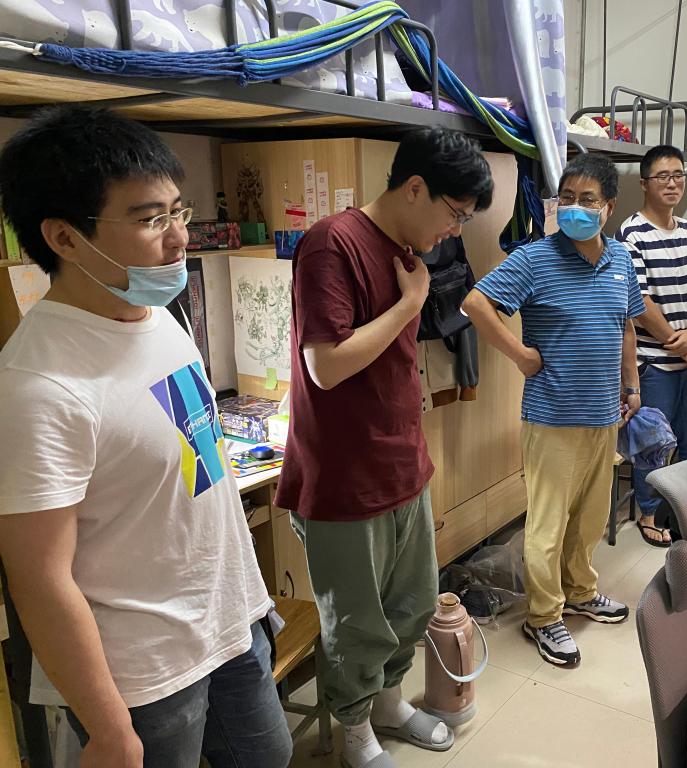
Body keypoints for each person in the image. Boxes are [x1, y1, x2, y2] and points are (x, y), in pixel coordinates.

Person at [0, 106, 290, 768]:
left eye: (178, 211)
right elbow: (39, 578)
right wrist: (108, 729)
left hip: (231, 624)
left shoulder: (156, 313)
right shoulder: (38, 386)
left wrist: (250, 611)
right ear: (65, 238)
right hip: (143, 675)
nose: (180, 237)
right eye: (151, 219)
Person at [275, 127, 493, 768]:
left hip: (401, 463)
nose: (453, 231)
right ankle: (354, 733)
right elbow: (325, 366)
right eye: (455, 214)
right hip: (344, 478)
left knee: (412, 604)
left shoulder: (406, 250)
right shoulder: (332, 244)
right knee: (356, 622)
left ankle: (389, 706)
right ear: (415, 188)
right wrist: (410, 304)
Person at [462, 154, 645, 667]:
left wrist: (632, 386)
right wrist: (522, 356)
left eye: (587, 199)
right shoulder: (535, 259)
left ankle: (580, 592)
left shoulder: (621, 260)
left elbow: (627, 327)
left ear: (608, 208)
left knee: (590, 519)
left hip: (604, 414)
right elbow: (476, 304)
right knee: (547, 527)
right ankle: (544, 617)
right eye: (567, 198)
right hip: (552, 416)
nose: (574, 208)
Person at [614, 145, 687, 547]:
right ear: (644, 184)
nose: (673, 183)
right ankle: (649, 514)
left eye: (678, 175)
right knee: (653, 444)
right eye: (662, 176)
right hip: (654, 362)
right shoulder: (631, 233)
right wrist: (681, 346)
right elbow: (638, 304)